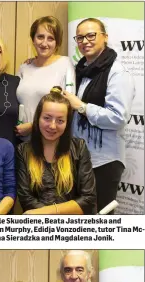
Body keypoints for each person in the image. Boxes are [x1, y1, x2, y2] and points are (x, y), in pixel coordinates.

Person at [63, 18, 135, 213]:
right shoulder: (80, 70)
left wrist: (82, 107)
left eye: (91, 35)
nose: (85, 41)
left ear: (105, 37)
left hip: (104, 161)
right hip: (78, 157)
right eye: (80, 37)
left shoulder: (117, 72)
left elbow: (118, 118)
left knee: (100, 220)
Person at [16, 87, 97, 215]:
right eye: (47, 118)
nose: (52, 126)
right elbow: (26, 199)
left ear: (67, 122)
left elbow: (88, 199)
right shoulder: (23, 150)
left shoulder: (79, 147)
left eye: (60, 120)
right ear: (37, 118)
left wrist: (52, 212)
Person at [15, 16, 76, 140]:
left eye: (51, 38)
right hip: (22, 142)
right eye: (40, 37)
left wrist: (33, 126)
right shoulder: (24, 67)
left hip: (50, 141)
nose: (44, 43)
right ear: (33, 39)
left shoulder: (65, 64)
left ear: (57, 42)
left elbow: (67, 108)